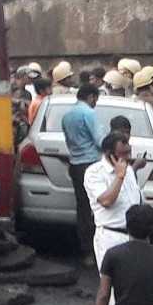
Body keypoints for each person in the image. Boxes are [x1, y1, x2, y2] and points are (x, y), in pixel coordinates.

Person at [83, 131, 143, 281]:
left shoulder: (129, 170)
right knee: (112, 291)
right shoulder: (94, 172)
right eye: (123, 154)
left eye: (129, 152)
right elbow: (106, 201)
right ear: (110, 154)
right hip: (111, 237)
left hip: (133, 237)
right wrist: (119, 176)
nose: (128, 157)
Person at [62, 84, 103, 256]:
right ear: (91, 97)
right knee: (98, 207)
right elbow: (100, 140)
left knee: (83, 208)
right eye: (96, 99)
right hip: (91, 164)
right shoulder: (89, 113)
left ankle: (85, 250)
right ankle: (97, 249)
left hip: (75, 165)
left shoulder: (67, 116)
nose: (95, 103)